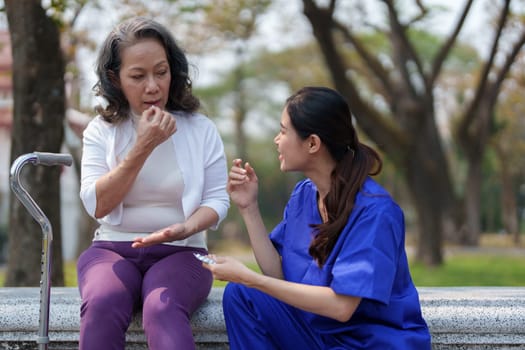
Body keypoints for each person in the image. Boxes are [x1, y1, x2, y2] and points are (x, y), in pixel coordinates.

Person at [203, 86, 431, 349]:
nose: (277, 140)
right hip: (318, 335)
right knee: (242, 295)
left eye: (283, 131)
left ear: (312, 143)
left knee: (247, 286)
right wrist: (249, 208)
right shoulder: (304, 195)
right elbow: (277, 273)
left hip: (369, 343)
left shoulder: (375, 212)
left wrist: (249, 277)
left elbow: (342, 306)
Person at [77, 17, 229, 350]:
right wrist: (143, 145)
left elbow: (218, 200)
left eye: (161, 72)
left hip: (183, 252)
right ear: (116, 79)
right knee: (102, 302)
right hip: (112, 250)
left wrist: (186, 228)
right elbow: (96, 204)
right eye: (138, 76)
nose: (153, 86)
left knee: (161, 306)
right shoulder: (101, 131)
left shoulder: (200, 129)